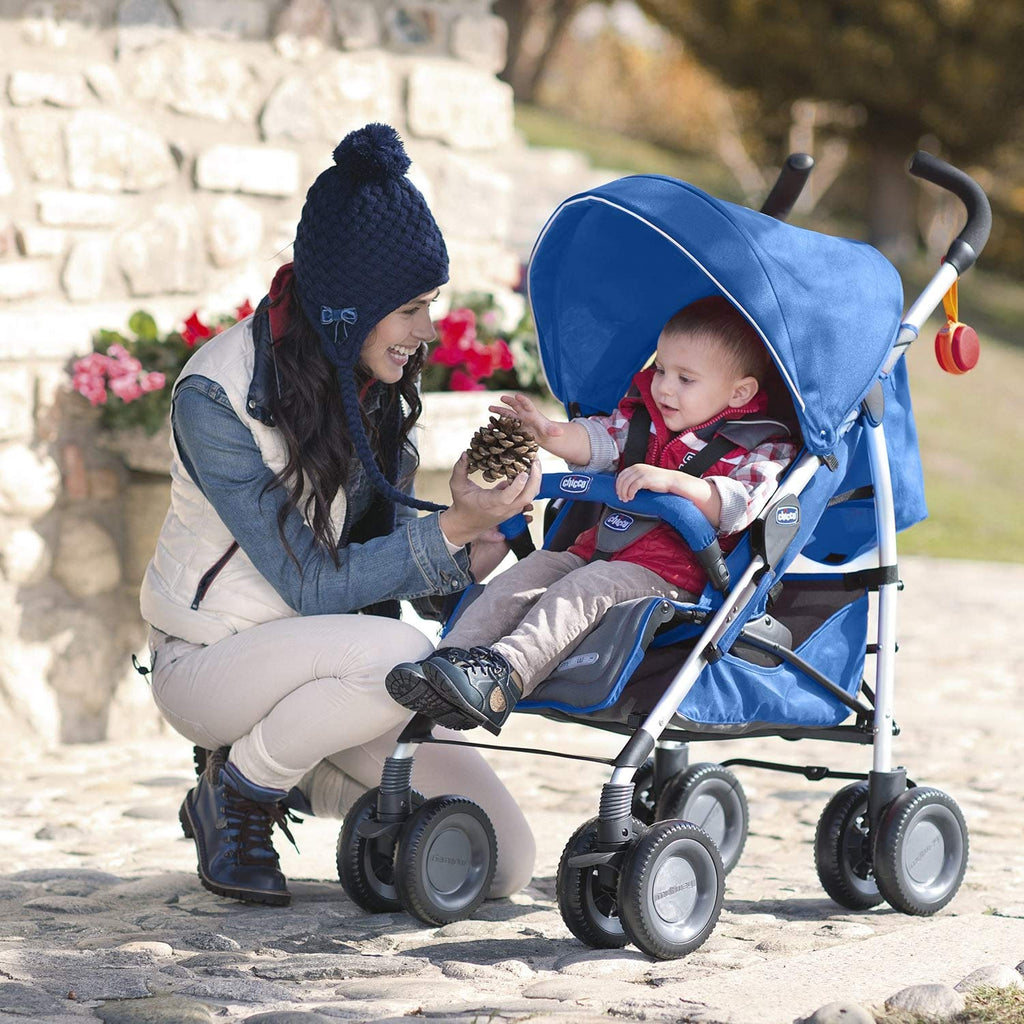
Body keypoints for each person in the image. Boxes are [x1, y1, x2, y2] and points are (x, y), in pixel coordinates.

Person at [139, 123, 541, 907]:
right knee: (395, 650)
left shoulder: (373, 389)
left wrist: (473, 544)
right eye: (412, 309)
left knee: (496, 859)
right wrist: (448, 528)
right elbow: (311, 585)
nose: (427, 331)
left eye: (431, 306)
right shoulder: (217, 392)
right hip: (212, 662)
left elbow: (385, 554)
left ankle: (264, 779)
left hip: (335, 673)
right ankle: (242, 795)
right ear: (349, 310)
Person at [386, 295, 798, 735]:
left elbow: (740, 505)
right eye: (660, 369)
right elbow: (597, 441)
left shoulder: (760, 444)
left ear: (740, 392)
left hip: (676, 576)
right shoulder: (643, 419)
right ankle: (447, 663)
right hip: (599, 552)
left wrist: (674, 482)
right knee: (529, 572)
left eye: (686, 379)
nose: (664, 387)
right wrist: (549, 433)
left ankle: (505, 673)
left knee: (586, 588)